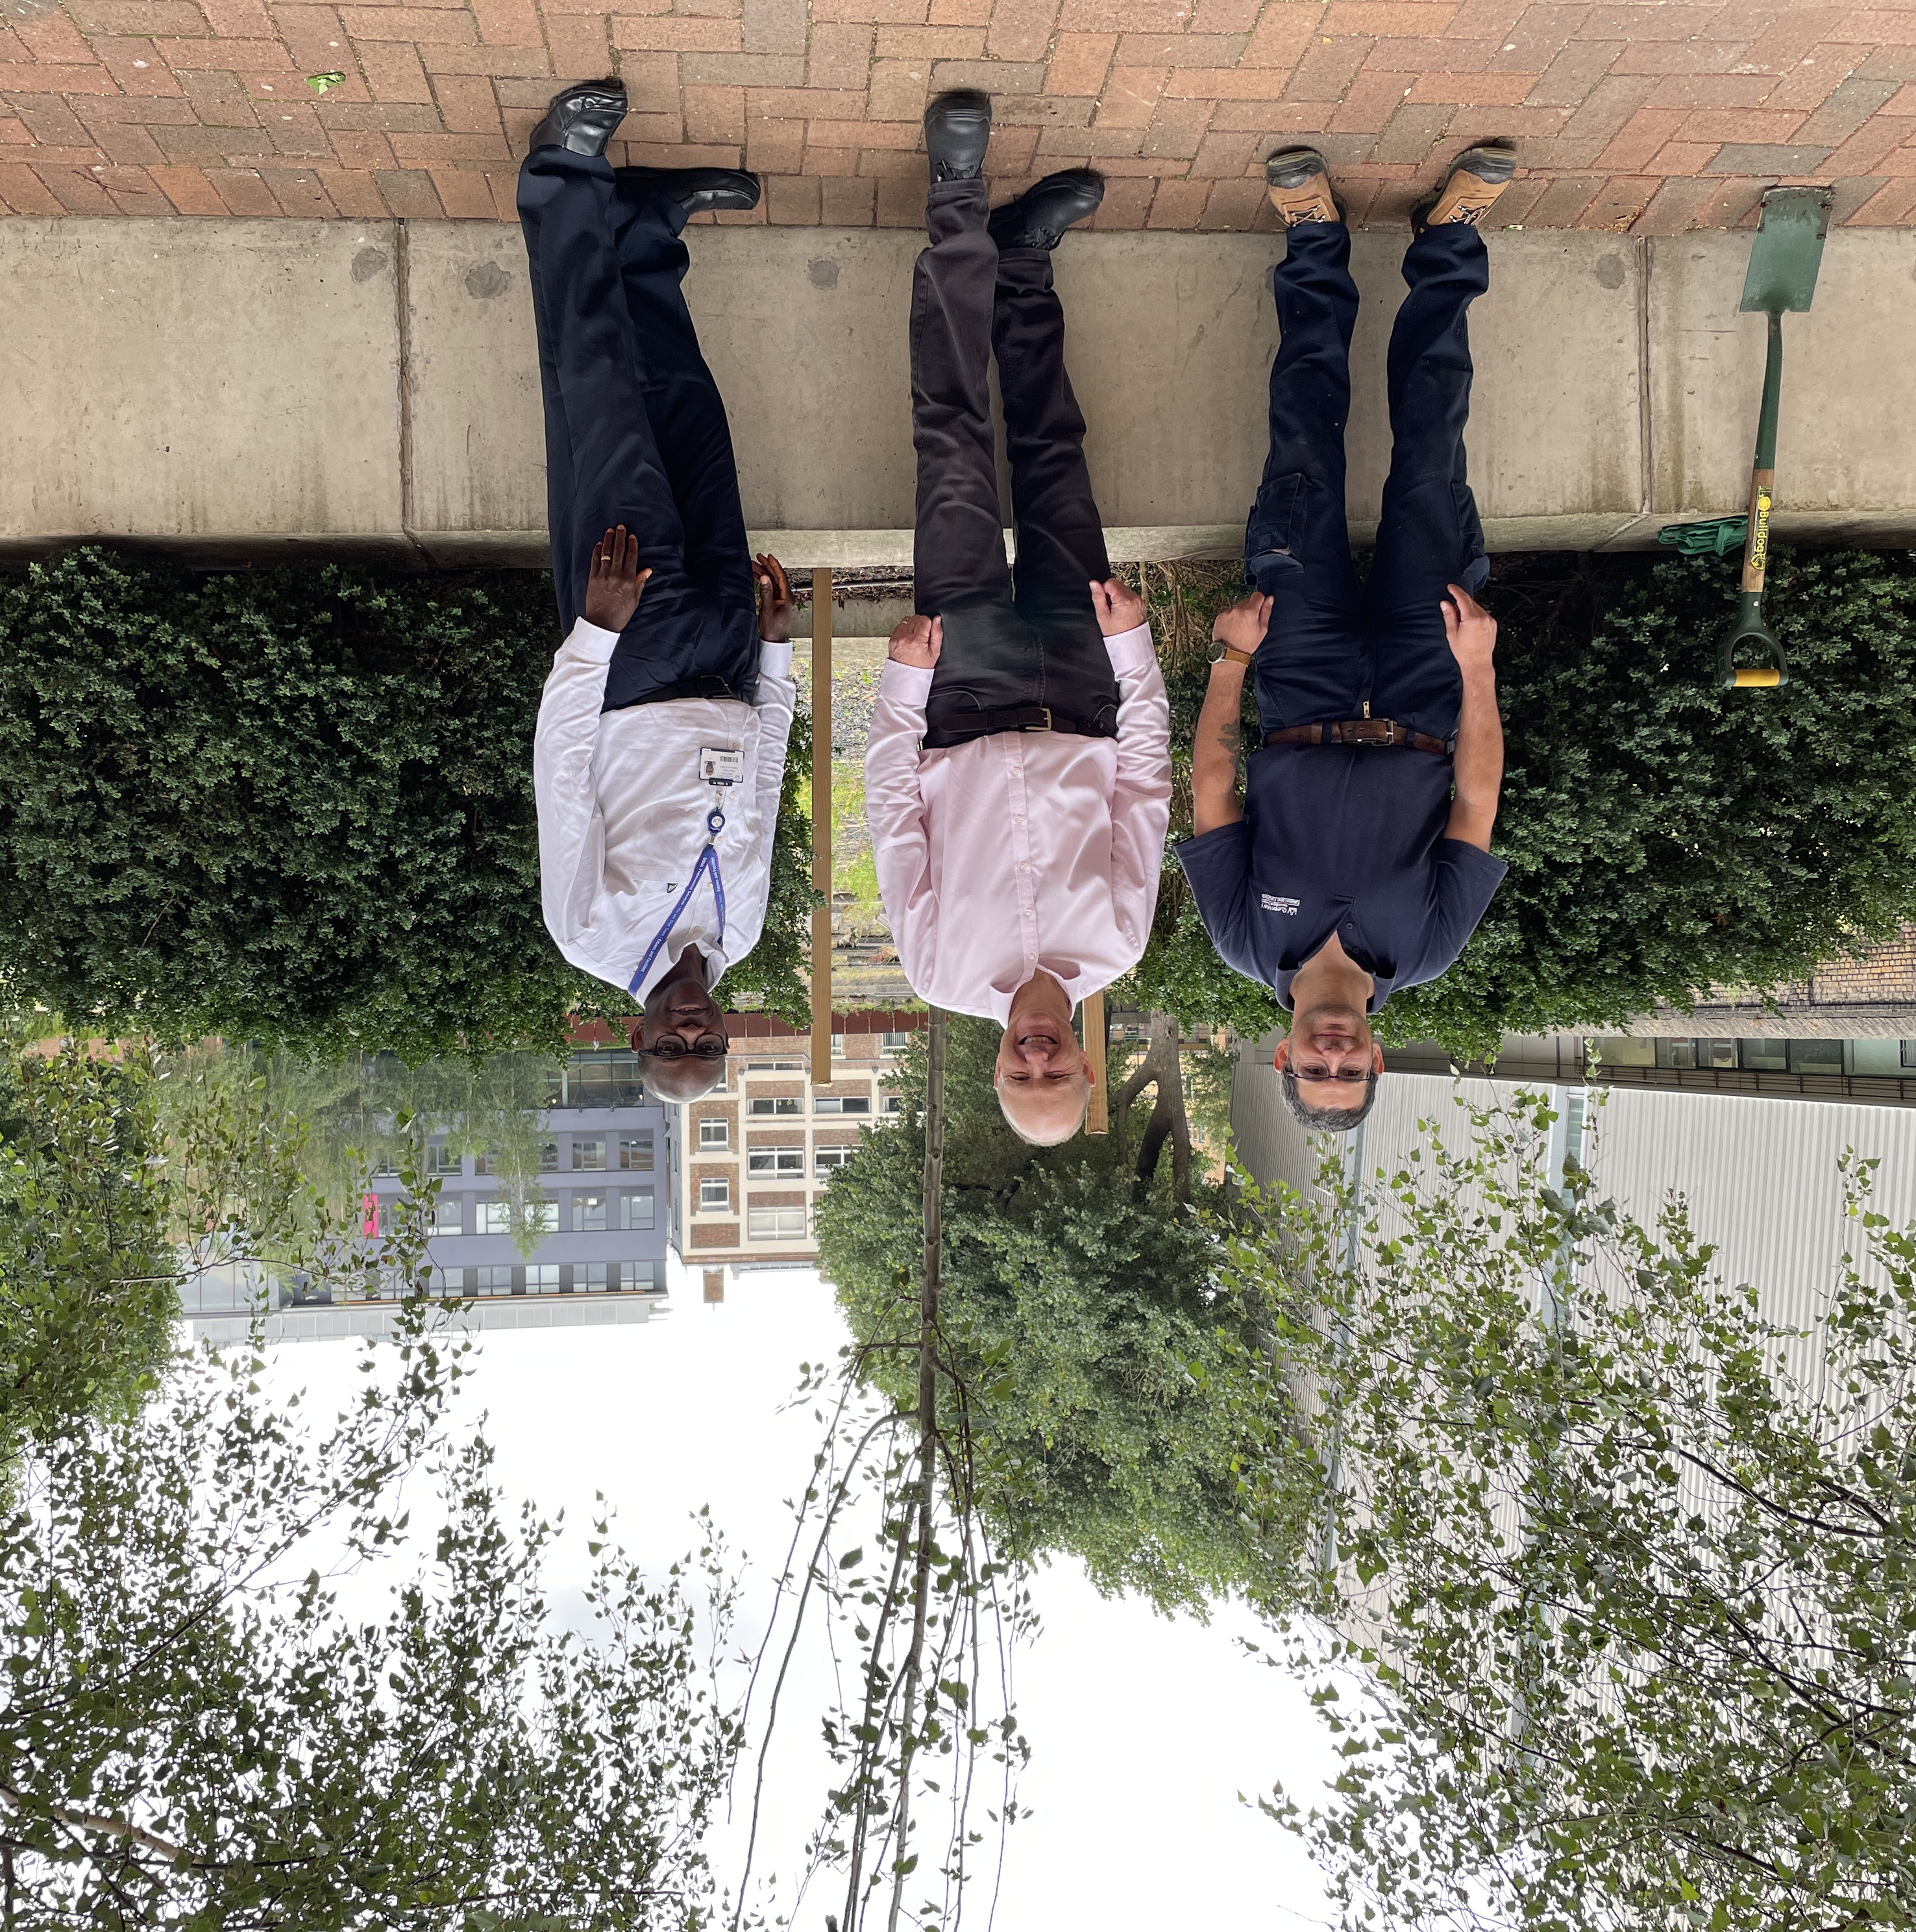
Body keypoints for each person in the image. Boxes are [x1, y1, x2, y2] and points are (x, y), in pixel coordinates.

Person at [1178, 141, 1518, 1135]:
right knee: (1430, 463)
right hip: (1425, 685)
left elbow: (1211, 788)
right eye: (1351, 1071)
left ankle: (1316, 243)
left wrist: (1233, 659)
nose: (1333, 1056)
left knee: (1302, 456)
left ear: (1283, 1053)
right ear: (1376, 1056)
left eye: (1314, 1072)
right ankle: (1449, 246)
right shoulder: (1428, 948)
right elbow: (1476, 795)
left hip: (1298, 678)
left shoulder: (1245, 942)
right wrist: (1479, 671)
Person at [866, 89, 1173, 1148]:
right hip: (1085, 684)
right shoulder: (1122, 945)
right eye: (1056, 1072)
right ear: (1087, 1062)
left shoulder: (937, 969)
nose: (1035, 1055)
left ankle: (957, 200)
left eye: (1017, 1071)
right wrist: (1134, 652)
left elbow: (891, 817)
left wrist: (904, 685)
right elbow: (1143, 786)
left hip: (958, 690)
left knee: (950, 444)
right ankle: (1027, 265)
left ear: (995, 1061)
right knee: (1054, 458)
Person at [524, 78, 794, 1105]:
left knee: (603, 403)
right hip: (726, 652)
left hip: (629, 648)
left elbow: (562, 773)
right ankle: (642, 234)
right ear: (729, 1037)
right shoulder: (747, 932)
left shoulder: (588, 934)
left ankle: (564, 173)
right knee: (690, 418)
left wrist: (595, 633)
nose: (690, 1038)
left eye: (668, 1051)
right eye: (707, 1053)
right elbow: (764, 790)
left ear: (629, 1035)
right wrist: (771, 657)